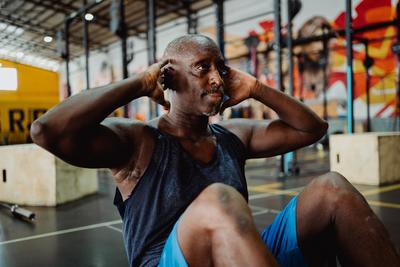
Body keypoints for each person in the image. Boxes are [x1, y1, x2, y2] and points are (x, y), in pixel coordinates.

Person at [30, 34, 400, 267]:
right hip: (168, 261)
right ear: (169, 78)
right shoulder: (138, 142)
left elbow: (313, 129)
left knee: (332, 188)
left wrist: (257, 88)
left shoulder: (230, 136)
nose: (217, 79)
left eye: (220, 68)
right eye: (202, 68)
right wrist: (140, 83)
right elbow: (47, 131)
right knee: (218, 199)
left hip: (237, 256)